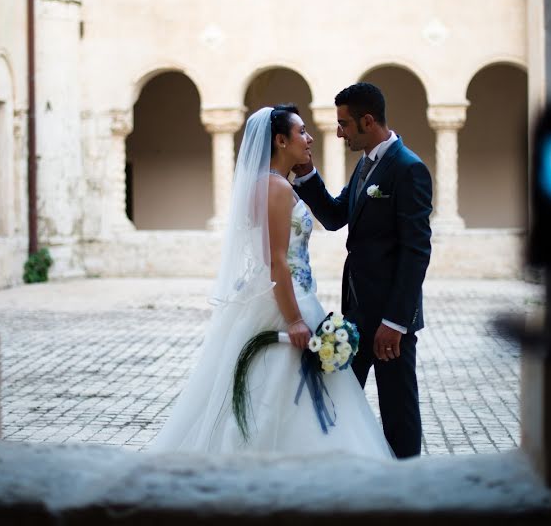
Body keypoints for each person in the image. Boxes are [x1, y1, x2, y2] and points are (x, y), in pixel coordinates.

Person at [149, 104, 393, 458]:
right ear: (280, 140)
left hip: (294, 295)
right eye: (302, 132)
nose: (309, 139)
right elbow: (276, 260)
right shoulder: (274, 188)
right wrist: (294, 319)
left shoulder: (273, 184)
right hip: (286, 302)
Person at [292, 83, 433, 458]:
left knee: (397, 409)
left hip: (389, 321)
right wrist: (307, 175)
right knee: (335, 397)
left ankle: (407, 485)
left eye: (344, 124)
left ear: (367, 121)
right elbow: (337, 216)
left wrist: (397, 322)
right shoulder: (367, 163)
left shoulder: (408, 169)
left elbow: (416, 251)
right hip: (357, 314)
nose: (338, 133)